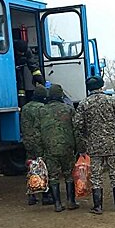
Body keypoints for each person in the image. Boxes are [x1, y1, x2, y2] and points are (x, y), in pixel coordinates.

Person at [74, 76, 115, 214]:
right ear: (101, 86)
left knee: (96, 177)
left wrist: (86, 134)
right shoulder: (112, 101)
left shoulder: (84, 103)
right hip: (111, 143)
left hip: (94, 145)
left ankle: (98, 206)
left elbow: (78, 124)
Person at [41, 84, 79, 212]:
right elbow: (76, 130)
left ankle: (57, 204)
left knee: (53, 175)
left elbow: (37, 131)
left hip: (49, 148)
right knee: (69, 174)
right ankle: (71, 201)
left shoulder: (42, 110)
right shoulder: (68, 109)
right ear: (61, 95)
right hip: (67, 147)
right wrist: (81, 148)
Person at [20, 84, 51, 206]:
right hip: (39, 142)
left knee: (30, 167)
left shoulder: (25, 107)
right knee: (42, 167)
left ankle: (31, 195)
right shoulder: (42, 108)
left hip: (28, 141)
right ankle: (45, 195)